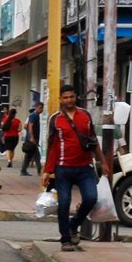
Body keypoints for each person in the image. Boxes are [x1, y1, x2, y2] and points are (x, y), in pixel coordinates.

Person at [42, 83, 110, 252]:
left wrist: (104, 163)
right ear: (60, 99)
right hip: (63, 168)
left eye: (71, 97)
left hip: (85, 168)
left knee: (91, 198)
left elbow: (93, 141)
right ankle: (65, 239)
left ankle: (73, 225)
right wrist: (47, 171)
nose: (69, 100)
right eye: (65, 97)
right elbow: (52, 146)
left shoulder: (85, 116)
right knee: (64, 203)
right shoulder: (55, 119)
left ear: (76, 97)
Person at [21, 100, 44, 176]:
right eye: (40, 108)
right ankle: (39, 170)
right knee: (37, 155)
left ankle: (23, 170)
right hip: (32, 139)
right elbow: (30, 126)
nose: (41, 110)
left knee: (28, 156)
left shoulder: (35, 115)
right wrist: (32, 137)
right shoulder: (34, 115)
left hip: (32, 139)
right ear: (36, 107)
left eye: (42, 108)